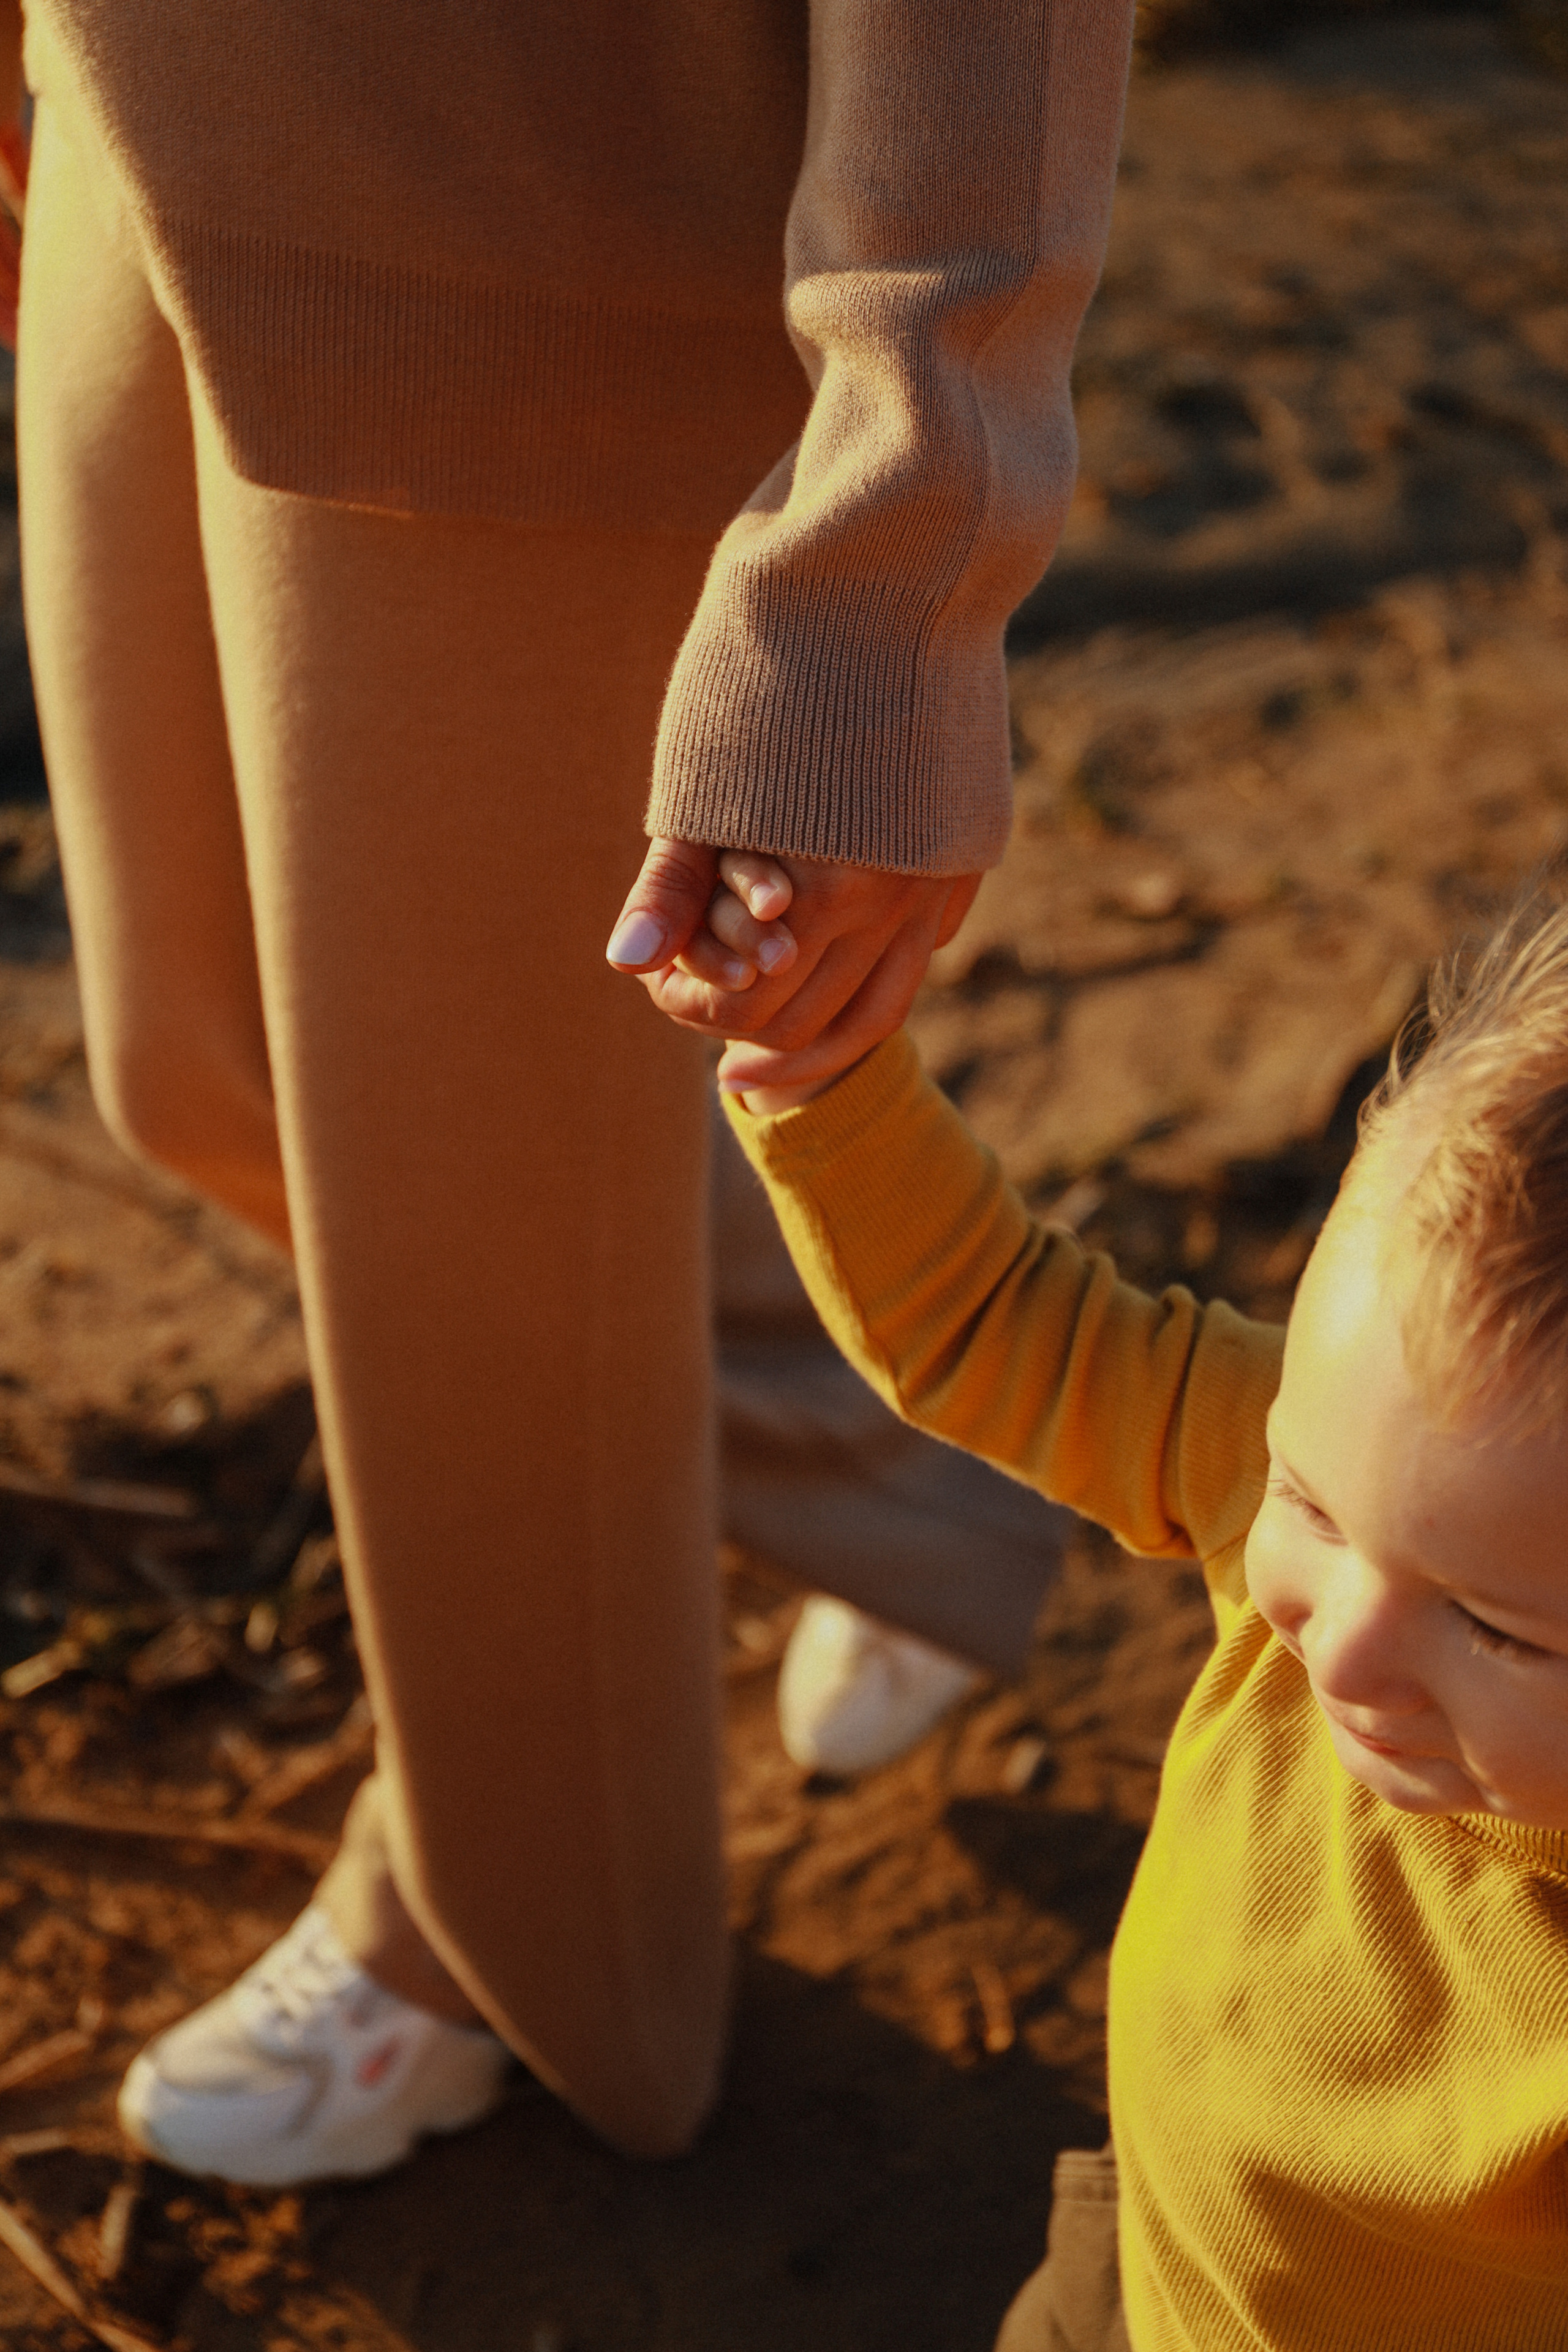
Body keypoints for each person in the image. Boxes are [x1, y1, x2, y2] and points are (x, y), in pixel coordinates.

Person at [12, 0, 1136, 2186]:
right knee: (206, 1068)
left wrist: (899, 530)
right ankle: (902, 1480)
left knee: (460, 1220)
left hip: (523, 203)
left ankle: (512, 1940)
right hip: (133, 110)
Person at [705, 859, 1568, 2351]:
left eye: (1495, 1630)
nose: (1333, 1641)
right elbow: (995, 1320)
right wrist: (821, 1070)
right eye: (1307, 1499)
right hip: (1139, 2262)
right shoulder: (1356, 1482)